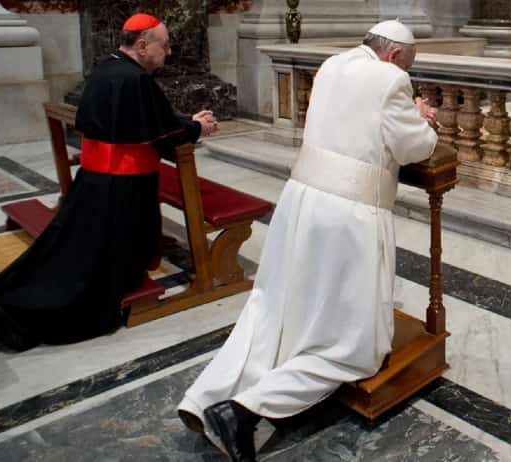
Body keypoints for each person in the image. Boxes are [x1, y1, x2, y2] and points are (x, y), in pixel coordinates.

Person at [177, 19, 438, 462]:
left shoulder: (333, 64)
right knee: (357, 348)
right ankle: (244, 410)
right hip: (349, 214)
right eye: (406, 63)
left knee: (280, 309)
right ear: (395, 55)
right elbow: (413, 148)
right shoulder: (391, 79)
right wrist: (423, 119)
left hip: (302, 202)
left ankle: (204, 396)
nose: (405, 70)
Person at [0, 13, 219, 351]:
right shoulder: (134, 79)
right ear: (143, 45)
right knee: (95, 263)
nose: (169, 51)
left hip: (95, 178)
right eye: (164, 45)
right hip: (123, 186)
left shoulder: (108, 68)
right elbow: (163, 134)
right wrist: (197, 128)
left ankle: (11, 299)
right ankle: (28, 314)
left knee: (71, 249)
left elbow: (147, 119)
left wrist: (187, 121)